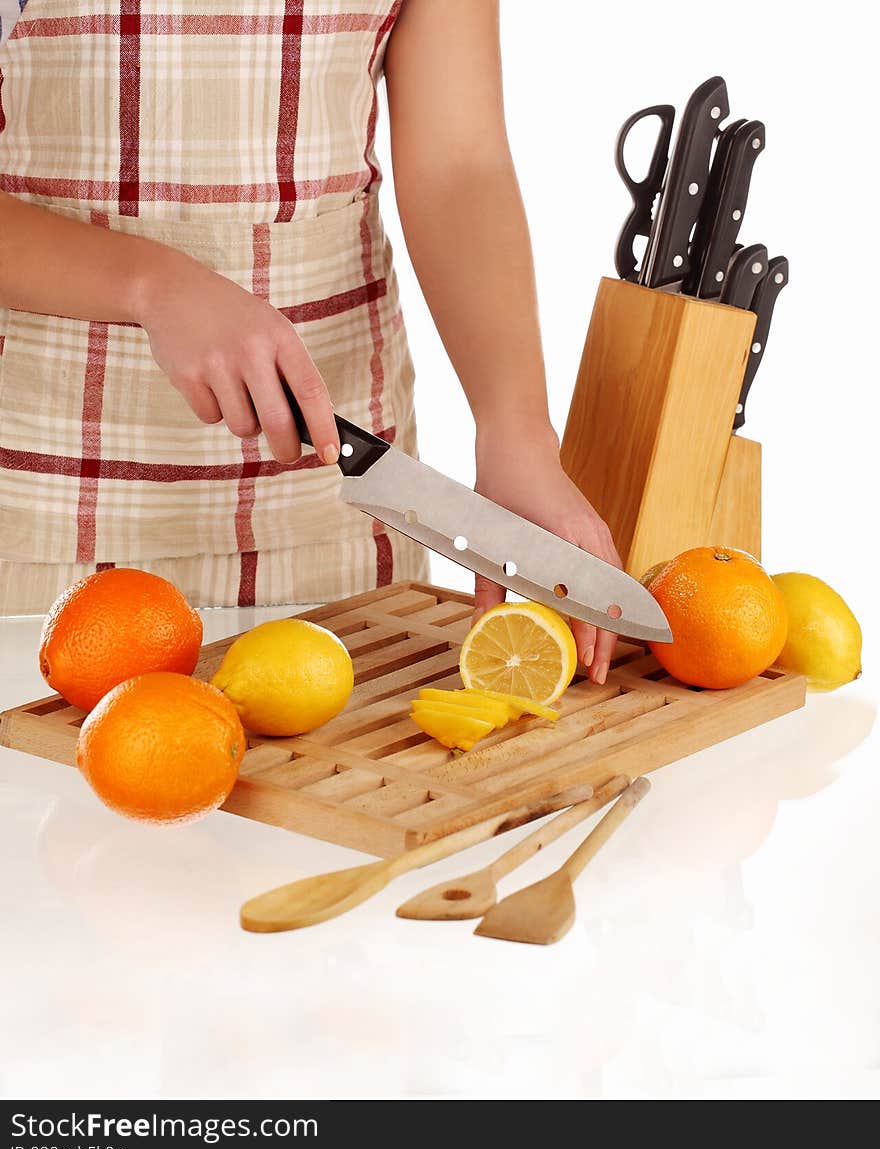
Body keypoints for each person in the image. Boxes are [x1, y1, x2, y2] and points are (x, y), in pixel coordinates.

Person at [0, 0, 621, 684]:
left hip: (332, 516)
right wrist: (152, 285)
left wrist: (517, 433)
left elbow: (459, 162)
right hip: (39, 509)